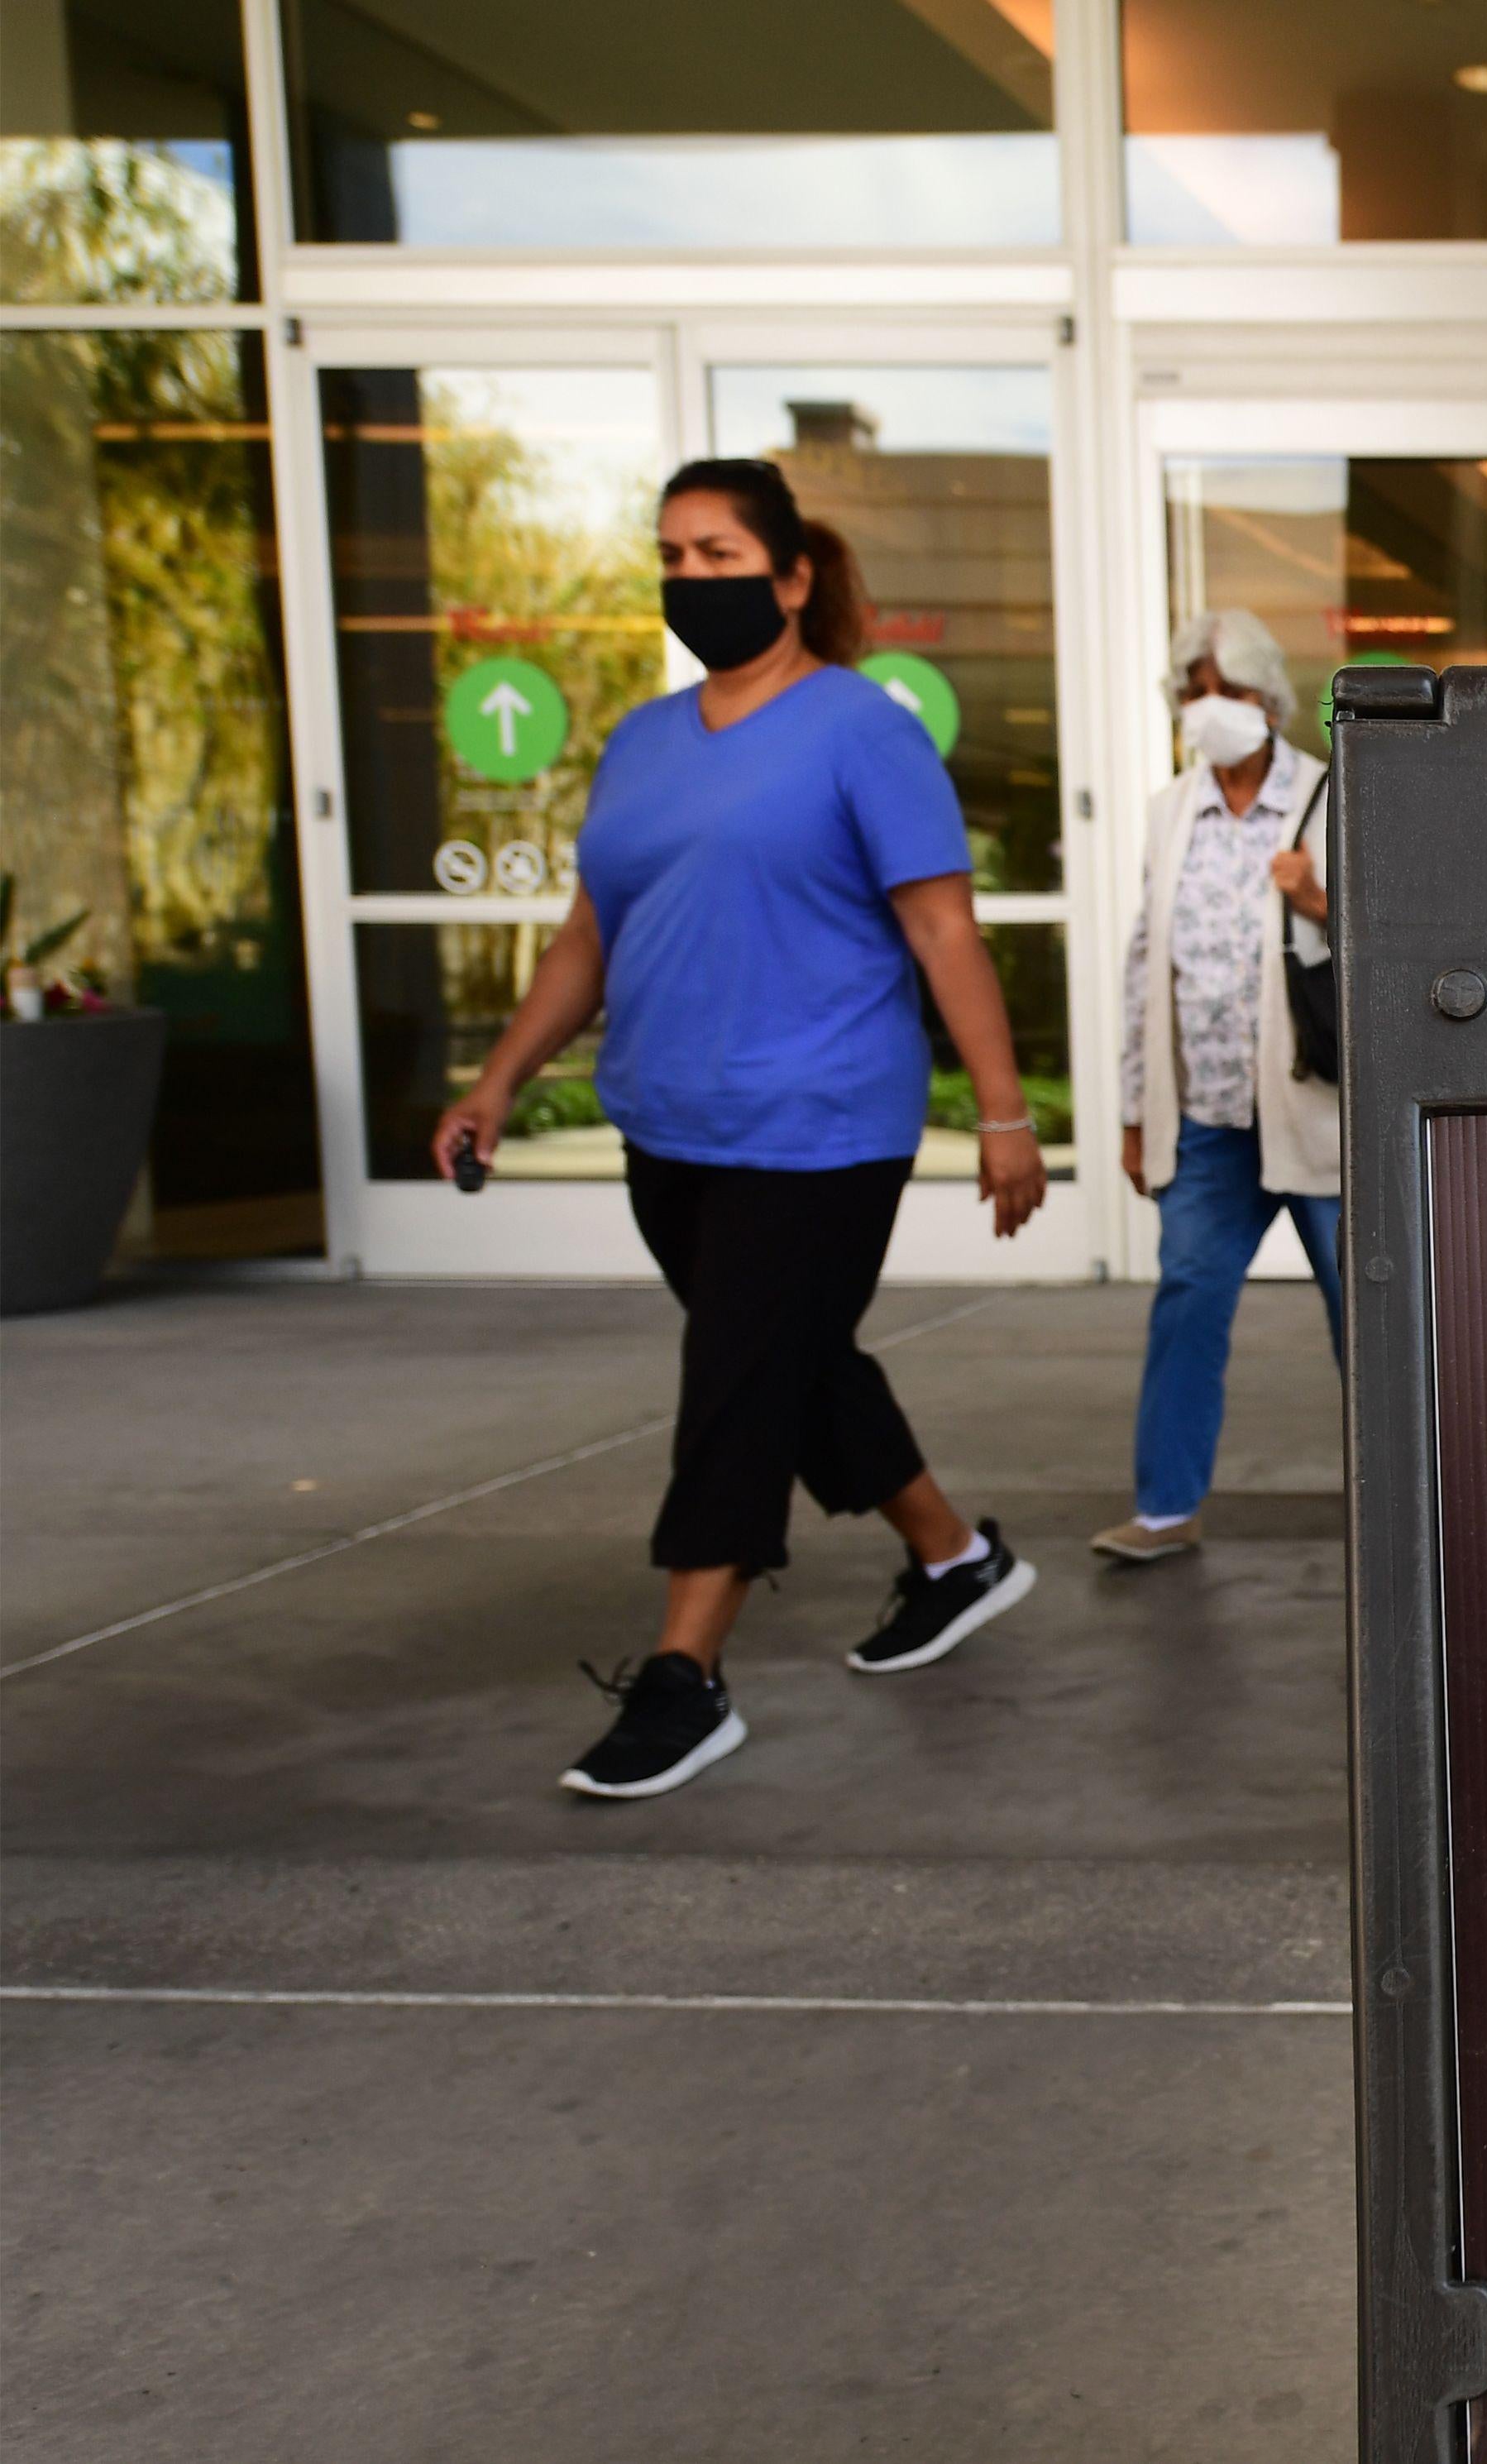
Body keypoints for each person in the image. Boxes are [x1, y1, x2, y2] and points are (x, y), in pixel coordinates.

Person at [434, 457, 1048, 1801]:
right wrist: (495, 1082)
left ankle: (684, 1673)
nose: (691, 579)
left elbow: (942, 926)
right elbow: (587, 938)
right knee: (786, 1357)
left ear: (791, 574)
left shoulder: (859, 729)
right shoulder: (644, 742)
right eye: (672, 557)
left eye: (718, 555)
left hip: (821, 1122)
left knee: (733, 1384)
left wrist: (1005, 1116)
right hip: (670, 1123)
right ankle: (957, 1559)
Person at [1093, 610, 1341, 1564]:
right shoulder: (1169, 811)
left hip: (1311, 1111)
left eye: (1230, 692)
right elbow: (1143, 964)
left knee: (1359, 1317)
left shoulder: (1328, 798)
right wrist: (1130, 1109)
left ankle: (1411, 1506)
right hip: (1205, 1117)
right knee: (1188, 1298)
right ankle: (1164, 1509)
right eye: (1196, 692)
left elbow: (1400, 951)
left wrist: (1319, 902)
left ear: (1270, 701)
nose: (1212, 710)